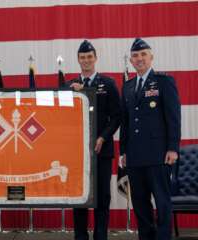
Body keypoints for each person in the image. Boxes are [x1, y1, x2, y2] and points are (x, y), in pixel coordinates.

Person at [120, 38, 181, 240]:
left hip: (158, 155)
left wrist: (173, 148)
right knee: (140, 204)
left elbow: (173, 118)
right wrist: (123, 152)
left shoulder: (164, 82)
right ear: (131, 59)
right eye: (135, 56)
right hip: (135, 157)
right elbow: (126, 122)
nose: (139, 59)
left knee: (162, 203)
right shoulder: (128, 87)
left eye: (143, 54)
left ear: (151, 57)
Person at [66, 40, 121, 240]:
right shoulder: (68, 86)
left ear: (95, 58)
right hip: (78, 155)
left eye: (90, 57)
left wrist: (103, 137)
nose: (86, 60)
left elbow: (117, 116)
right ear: (78, 60)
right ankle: (80, 236)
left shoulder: (108, 84)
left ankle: (100, 236)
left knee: (102, 198)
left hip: (101, 151)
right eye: (82, 57)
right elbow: (61, 119)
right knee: (79, 198)